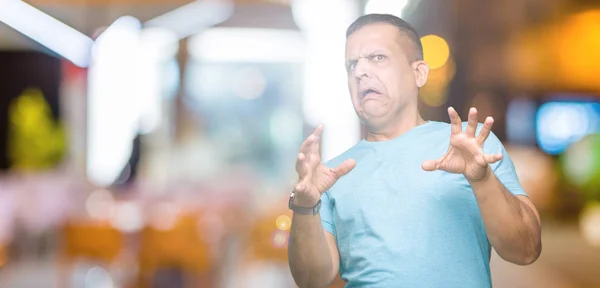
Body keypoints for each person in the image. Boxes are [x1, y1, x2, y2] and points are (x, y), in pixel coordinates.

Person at [287, 14, 542, 288]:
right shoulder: (330, 175)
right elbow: (311, 280)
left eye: (378, 58)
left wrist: (482, 179)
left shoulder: (472, 145)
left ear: (418, 73)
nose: (360, 71)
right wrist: (305, 206)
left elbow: (525, 251)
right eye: (352, 64)